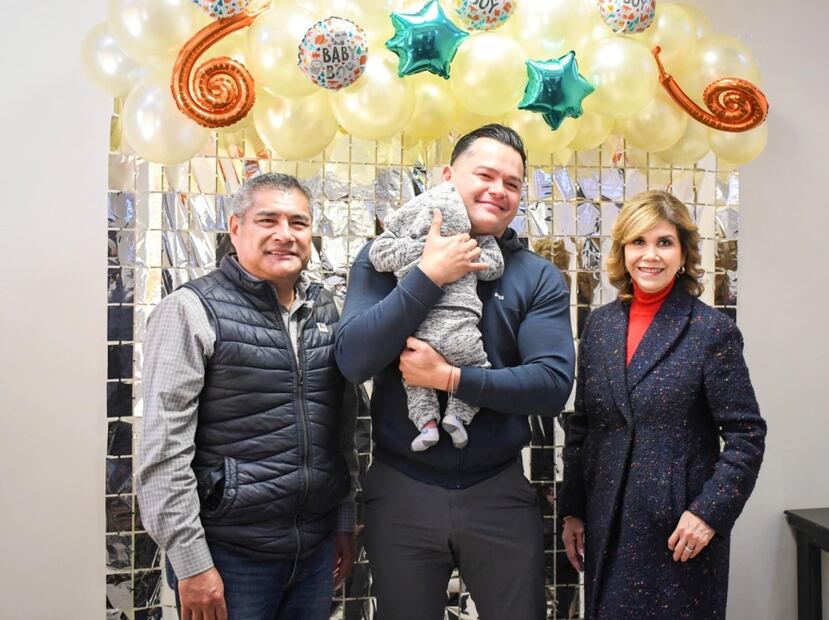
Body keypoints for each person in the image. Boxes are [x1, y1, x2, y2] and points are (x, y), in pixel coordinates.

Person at [336, 124, 575, 620]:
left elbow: (551, 386)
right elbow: (354, 359)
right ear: (447, 176)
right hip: (403, 488)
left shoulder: (536, 276)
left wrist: (450, 379)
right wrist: (428, 275)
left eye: (512, 183)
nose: (498, 190)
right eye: (485, 175)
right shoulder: (387, 257)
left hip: (499, 490)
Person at [137, 173, 359, 620]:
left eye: (298, 222)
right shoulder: (191, 310)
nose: (285, 234)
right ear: (236, 228)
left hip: (314, 552)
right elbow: (163, 452)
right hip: (228, 556)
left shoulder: (325, 308)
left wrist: (342, 520)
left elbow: (340, 428)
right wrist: (192, 564)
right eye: (268, 220)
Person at [558, 190, 767, 619]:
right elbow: (583, 427)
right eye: (638, 241)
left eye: (664, 242)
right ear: (623, 251)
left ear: (683, 253)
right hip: (606, 521)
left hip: (677, 532)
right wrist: (573, 511)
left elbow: (747, 436)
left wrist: (709, 514)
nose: (650, 255)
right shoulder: (599, 326)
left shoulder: (710, 330)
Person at [368, 181, 505, 451]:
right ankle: (457, 416)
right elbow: (494, 268)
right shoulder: (468, 243)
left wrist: (419, 249)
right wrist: (460, 251)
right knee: (475, 370)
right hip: (461, 328)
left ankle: (427, 425)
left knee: (414, 380)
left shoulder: (407, 243)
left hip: (418, 334)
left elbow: (377, 256)